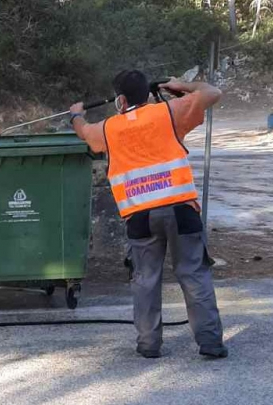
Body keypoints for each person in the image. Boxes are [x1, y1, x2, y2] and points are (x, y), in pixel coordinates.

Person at [70, 70, 228, 359]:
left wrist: (76, 115)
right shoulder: (169, 112)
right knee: (194, 276)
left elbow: (84, 133)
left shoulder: (108, 128)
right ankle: (210, 342)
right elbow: (212, 93)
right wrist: (182, 86)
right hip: (182, 211)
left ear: (120, 100)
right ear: (148, 93)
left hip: (141, 217)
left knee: (146, 280)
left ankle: (148, 344)